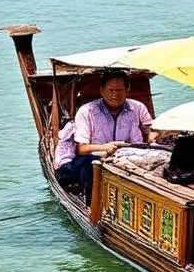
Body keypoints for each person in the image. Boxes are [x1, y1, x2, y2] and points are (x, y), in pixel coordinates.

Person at [54, 69, 155, 202]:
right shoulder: (87, 111)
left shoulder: (138, 107)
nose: (115, 95)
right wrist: (105, 147)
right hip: (89, 159)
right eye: (111, 90)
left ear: (127, 90)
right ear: (102, 90)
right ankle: (92, 205)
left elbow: (151, 130)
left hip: (126, 157)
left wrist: (154, 137)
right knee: (91, 165)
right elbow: (81, 149)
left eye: (120, 90)